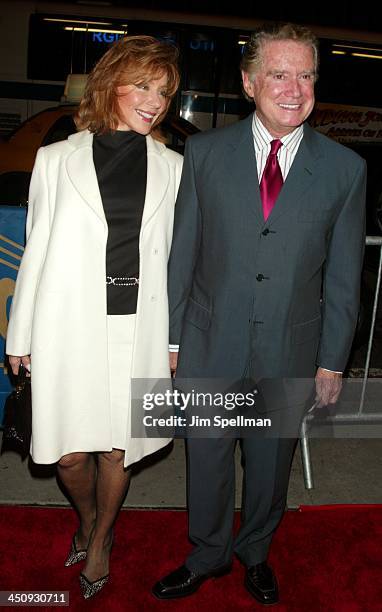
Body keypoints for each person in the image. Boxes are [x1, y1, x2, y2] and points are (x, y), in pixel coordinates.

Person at [153, 23, 366, 605]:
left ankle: (255, 552)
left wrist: (333, 361)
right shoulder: (202, 153)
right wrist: (171, 339)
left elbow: (346, 275)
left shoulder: (346, 171)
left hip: (290, 349)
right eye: (279, 73)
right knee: (208, 459)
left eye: (306, 75)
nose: (293, 88)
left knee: (270, 466)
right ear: (249, 83)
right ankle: (207, 554)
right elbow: (182, 257)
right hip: (209, 341)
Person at [6, 35, 182, 599]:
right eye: (144, 86)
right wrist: (22, 331)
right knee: (70, 452)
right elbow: (35, 248)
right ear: (111, 85)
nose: (155, 100)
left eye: (164, 91)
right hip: (70, 327)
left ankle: (101, 538)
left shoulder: (175, 167)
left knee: (118, 448)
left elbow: (181, 263)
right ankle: (85, 519)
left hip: (140, 329)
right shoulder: (56, 159)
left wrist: (176, 341)